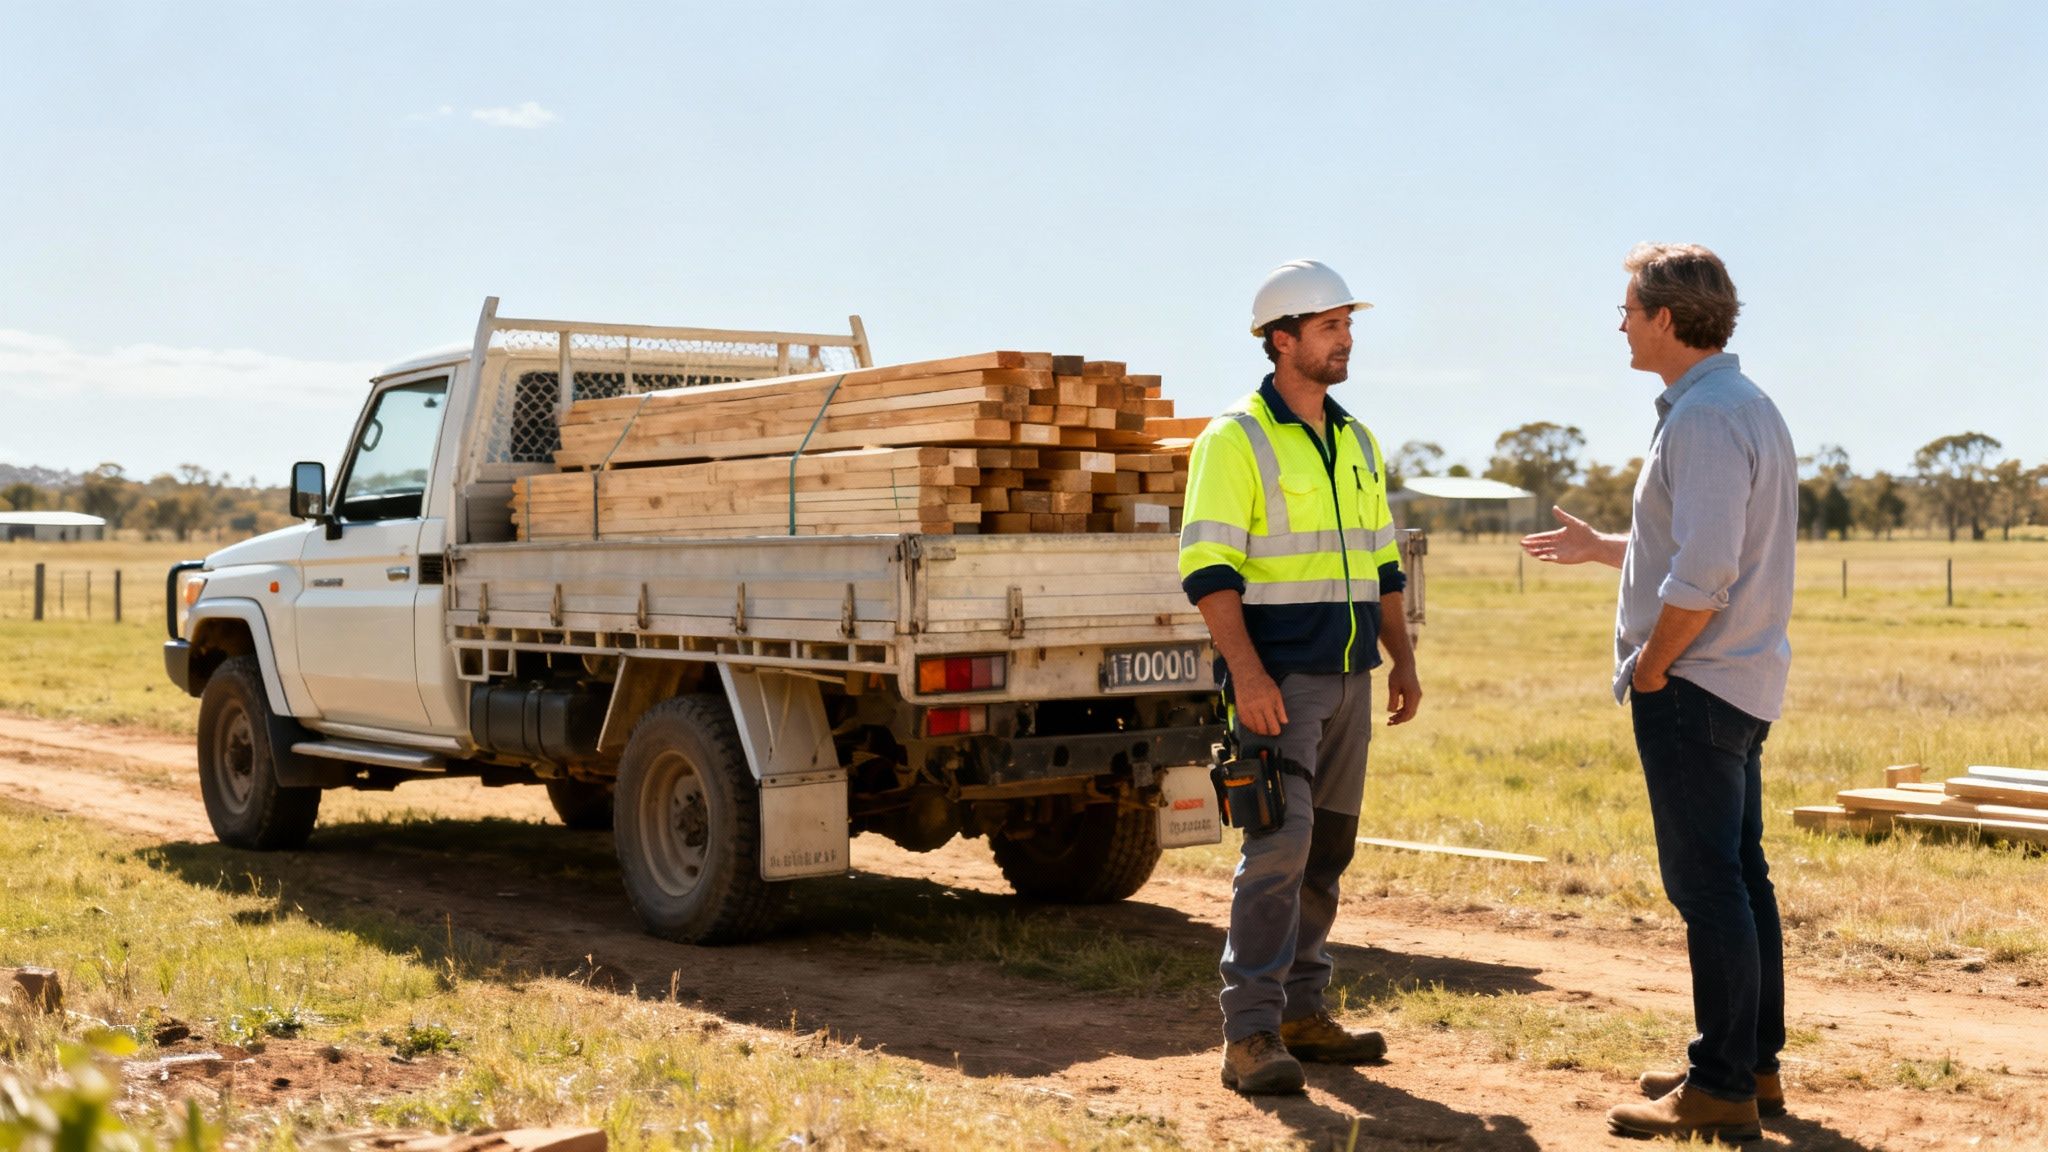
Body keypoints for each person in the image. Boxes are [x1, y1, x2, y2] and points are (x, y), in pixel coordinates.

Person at [1521, 242, 1796, 1143]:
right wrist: (1610, 547)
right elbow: (1699, 545)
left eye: (1629, 311)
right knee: (1740, 876)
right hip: (1738, 681)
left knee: (1707, 884)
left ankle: (1719, 1088)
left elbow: (1708, 571)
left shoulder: (1706, 420)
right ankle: (1748, 1063)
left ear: (1667, 320)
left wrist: (1652, 665)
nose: (1620, 324)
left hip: (1695, 683)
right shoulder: (1738, 405)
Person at [1179, 258, 1421, 1095]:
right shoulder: (1233, 439)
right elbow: (1209, 572)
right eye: (1330, 327)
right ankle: (1248, 1033)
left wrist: (1405, 661)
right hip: (1280, 681)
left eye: (1348, 325)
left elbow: (1385, 566)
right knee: (1277, 850)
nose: (1346, 339)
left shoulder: (1357, 439)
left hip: (1353, 676)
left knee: (1329, 848)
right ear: (1282, 341)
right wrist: (1246, 675)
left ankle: (1302, 1012)